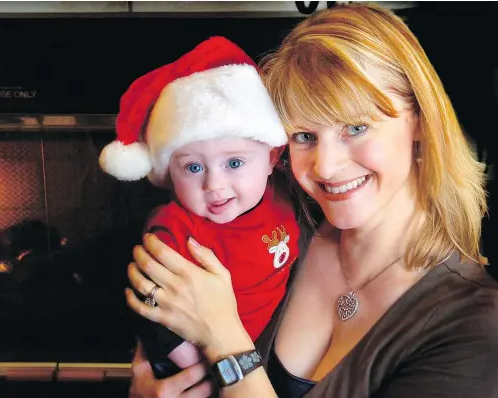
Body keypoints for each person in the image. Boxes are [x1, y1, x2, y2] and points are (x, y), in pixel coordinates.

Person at [125, 4, 498, 397]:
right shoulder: (285, 229)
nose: (326, 166)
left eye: (356, 127)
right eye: (304, 136)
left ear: (420, 120)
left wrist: (225, 341)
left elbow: (218, 336)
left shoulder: (474, 326)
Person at [99, 37, 300, 379]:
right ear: (169, 174)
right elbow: (152, 312)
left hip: (262, 355)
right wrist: (203, 369)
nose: (214, 185)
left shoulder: (286, 197)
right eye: (193, 167)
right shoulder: (174, 231)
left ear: (272, 158)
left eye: (234, 163)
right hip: (199, 367)